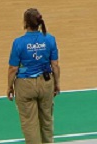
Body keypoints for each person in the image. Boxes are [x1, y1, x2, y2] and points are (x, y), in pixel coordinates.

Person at [7, 8, 61, 144]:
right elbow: (55, 65)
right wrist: (57, 83)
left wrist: (10, 87)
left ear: (25, 23)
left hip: (25, 85)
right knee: (47, 121)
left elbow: (13, 68)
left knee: (30, 124)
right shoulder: (49, 39)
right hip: (46, 82)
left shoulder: (18, 42)